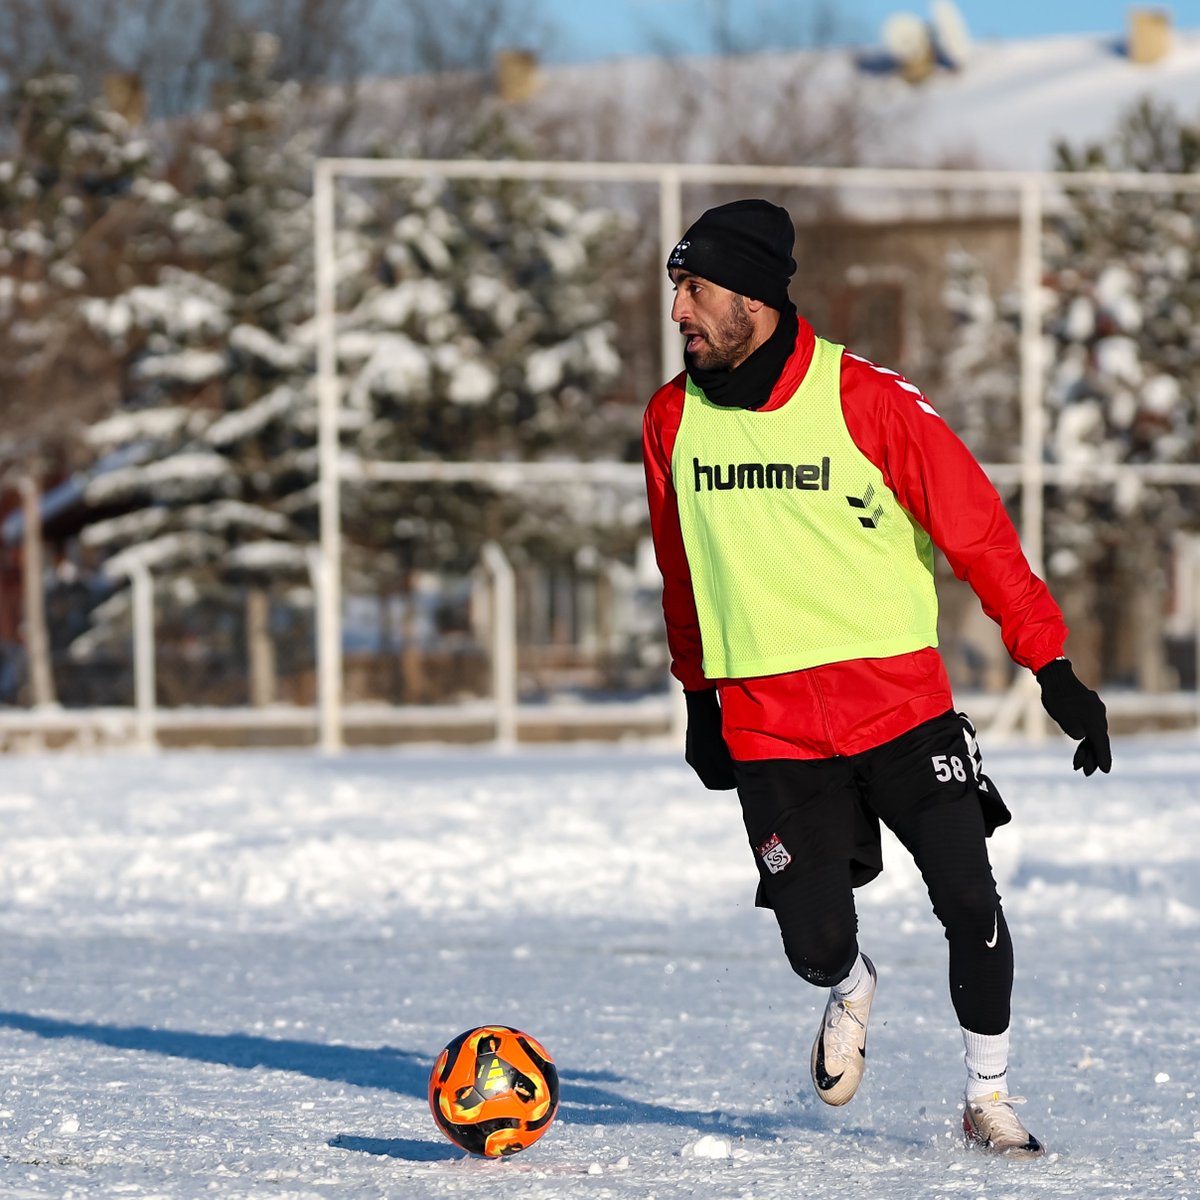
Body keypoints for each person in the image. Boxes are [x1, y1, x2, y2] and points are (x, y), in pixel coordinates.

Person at [642, 198, 1111, 1158]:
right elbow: (682, 570)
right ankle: (853, 986)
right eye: (676, 289)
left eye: (694, 289)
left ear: (756, 301)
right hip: (770, 728)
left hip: (903, 712)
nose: (679, 310)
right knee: (812, 944)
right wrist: (699, 696)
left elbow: (977, 534)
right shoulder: (670, 419)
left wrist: (1051, 666)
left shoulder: (868, 401)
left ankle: (989, 1096)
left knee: (969, 902)